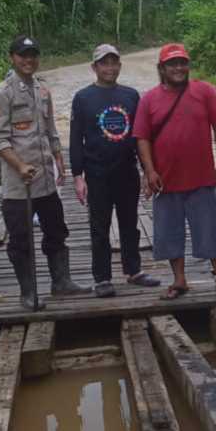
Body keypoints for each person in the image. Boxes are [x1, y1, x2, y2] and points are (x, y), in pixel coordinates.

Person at [0, 34, 88, 309]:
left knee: (56, 230)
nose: (28, 60)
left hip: (45, 181)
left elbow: (50, 130)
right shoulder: (2, 93)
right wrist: (19, 165)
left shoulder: (42, 91)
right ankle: (27, 293)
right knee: (20, 239)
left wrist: (59, 159)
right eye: (22, 55)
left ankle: (61, 282)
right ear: (12, 58)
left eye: (32, 55)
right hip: (19, 185)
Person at [133, 43, 216, 301]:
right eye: (172, 64)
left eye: (182, 63)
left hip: (201, 179)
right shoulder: (149, 99)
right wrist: (150, 170)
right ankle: (179, 280)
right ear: (162, 68)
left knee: (210, 230)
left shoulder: (204, 91)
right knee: (169, 233)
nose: (178, 68)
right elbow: (142, 138)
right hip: (166, 180)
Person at [69, 43, 160, 298]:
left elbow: (141, 136)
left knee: (129, 223)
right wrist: (78, 176)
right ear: (94, 67)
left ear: (119, 65)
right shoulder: (83, 98)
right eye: (104, 63)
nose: (109, 68)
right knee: (100, 226)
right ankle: (102, 277)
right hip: (97, 173)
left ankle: (134, 270)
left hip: (126, 170)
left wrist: (146, 170)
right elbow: (76, 139)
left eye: (113, 62)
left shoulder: (131, 96)